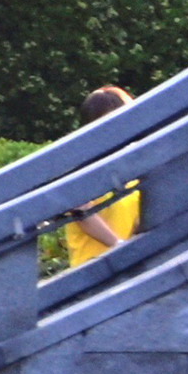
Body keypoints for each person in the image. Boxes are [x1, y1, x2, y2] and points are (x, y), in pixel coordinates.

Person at [48, 85, 140, 270]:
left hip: (128, 270)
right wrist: (119, 246)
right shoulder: (78, 165)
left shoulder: (131, 163)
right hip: (91, 274)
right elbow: (82, 213)